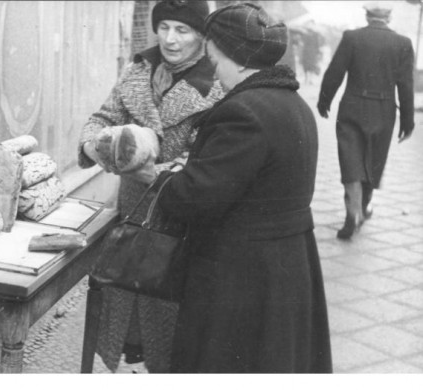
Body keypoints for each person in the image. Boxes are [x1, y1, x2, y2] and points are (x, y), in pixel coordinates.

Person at [132, 2, 332, 373]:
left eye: (216, 60)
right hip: (288, 264)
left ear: (240, 61)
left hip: (240, 275)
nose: (215, 72)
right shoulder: (293, 104)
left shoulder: (243, 111)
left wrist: (154, 176)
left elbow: (194, 198)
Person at [77, 0, 223, 373]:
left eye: (182, 30)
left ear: (202, 35)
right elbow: (101, 119)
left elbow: (203, 163)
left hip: (178, 222)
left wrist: (148, 170)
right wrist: (97, 146)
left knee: (172, 336)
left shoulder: (218, 86)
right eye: (164, 27)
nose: (170, 40)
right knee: (130, 318)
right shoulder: (139, 69)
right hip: (131, 215)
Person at [317, 2, 415, 240]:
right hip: (383, 110)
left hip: (352, 106)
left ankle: (353, 212)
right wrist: (408, 120)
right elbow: (405, 85)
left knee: (350, 158)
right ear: (389, 17)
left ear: (368, 15)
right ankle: (364, 205)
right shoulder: (403, 44)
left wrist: (324, 100)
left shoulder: (352, 37)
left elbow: (335, 71)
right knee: (373, 160)